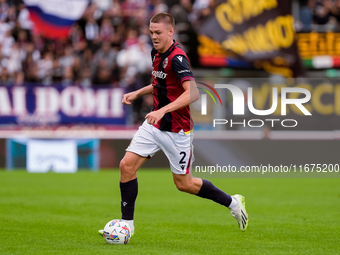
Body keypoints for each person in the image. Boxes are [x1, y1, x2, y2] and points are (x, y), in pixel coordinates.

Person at [99, 12, 248, 237]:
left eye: (158, 33)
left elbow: (193, 93)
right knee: (126, 166)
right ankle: (126, 224)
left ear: (171, 32)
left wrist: (162, 110)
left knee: (184, 184)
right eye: (151, 33)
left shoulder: (179, 58)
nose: (154, 37)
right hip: (154, 124)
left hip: (177, 130)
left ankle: (233, 203)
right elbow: (160, 82)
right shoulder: (156, 53)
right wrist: (138, 92)